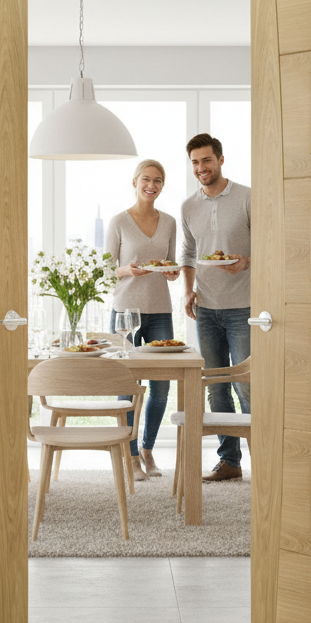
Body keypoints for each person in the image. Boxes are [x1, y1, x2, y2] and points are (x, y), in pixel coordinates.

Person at [179, 133, 251, 481]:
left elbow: (272, 242)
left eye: (206, 160)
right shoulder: (188, 206)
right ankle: (230, 462)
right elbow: (189, 254)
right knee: (215, 386)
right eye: (195, 162)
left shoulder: (248, 198)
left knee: (247, 385)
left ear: (221, 160)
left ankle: (264, 460)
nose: (200, 168)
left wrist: (247, 260)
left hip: (244, 306)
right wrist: (189, 291)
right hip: (206, 308)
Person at [104, 159, 180, 480]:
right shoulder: (119, 221)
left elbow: (171, 265)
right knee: (128, 387)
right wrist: (127, 270)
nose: (152, 185)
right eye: (146, 179)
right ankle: (130, 455)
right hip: (125, 311)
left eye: (158, 181)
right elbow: (106, 270)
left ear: (162, 185)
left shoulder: (170, 222)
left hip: (160, 309)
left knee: (161, 387)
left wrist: (173, 272)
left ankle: (148, 449)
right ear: (134, 182)